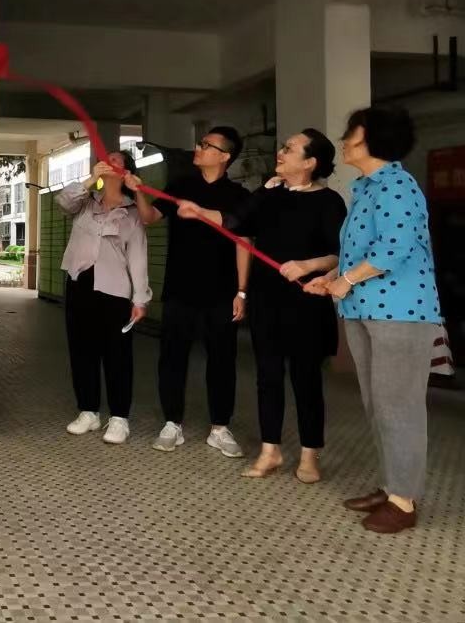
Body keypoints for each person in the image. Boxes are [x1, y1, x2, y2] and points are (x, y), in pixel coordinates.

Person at [173, 130, 346, 482]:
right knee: (267, 377)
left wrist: (308, 265)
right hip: (267, 299)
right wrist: (200, 211)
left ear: (310, 162)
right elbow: (234, 221)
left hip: (307, 301)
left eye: (289, 149)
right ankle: (270, 451)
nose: (280, 152)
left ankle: (310, 455)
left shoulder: (329, 201)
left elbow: (338, 253)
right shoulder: (268, 195)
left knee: (306, 379)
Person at [305, 107, 442, 534]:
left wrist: (345, 280)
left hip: (401, 312)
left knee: (399, 407)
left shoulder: (398, 186)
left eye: (352, 133)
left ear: (373, 140)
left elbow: (394, 248)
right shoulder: (367, 189)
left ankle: (404, 501)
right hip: (365, 309)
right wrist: (332, 276)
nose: (344, 140)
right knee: (379, 405)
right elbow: (361, 251)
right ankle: (391, 486)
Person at [125, 126, 251, 457]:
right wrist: (138, 192)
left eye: (207, 145)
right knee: (172, 357)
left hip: (222, 291)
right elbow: (149, 217)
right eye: (200, 142)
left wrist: (241, 291)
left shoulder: (239, 195)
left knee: (222, 360)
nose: (198, 147)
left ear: (224, 156)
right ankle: (172, 423)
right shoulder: (181, 186)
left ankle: (219, 427)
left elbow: (243, 243)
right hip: (180, 288)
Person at [56, 151, 150, 444]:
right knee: (81, 350)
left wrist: (140, 299)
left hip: (115, 289)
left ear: (126, 172)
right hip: (79, 284)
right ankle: (88, 411)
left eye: (117, 160)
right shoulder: (85, 202)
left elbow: (138, 257)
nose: (109, 161)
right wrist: (91, 180)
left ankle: (120, 417)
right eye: (106, 158)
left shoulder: (132, 214)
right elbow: (63, 202)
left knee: (117, 354)